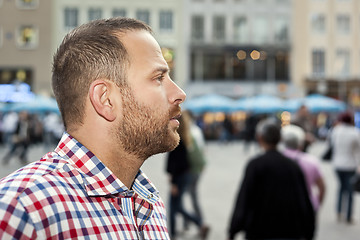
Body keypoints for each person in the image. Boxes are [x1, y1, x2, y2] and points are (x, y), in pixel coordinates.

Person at [0, 17, 186, 239]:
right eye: (158, 78)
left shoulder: (148, 202)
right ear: (105, 99)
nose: (179, 93)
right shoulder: (21, 209)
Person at [228, 118, 315, 240]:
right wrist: (309, 231)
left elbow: (244, 199)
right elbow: (303, 200)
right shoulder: (292, 165)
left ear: (260, 138)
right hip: (290, 231)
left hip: (259, 231)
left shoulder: (255, 165)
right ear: (280, 139)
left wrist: (233, 230)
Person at [166, 113, 209, 240]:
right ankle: (173, 232)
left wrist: (173, 181)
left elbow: (175, 163)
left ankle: (198, 223)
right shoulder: (186, 138)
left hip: (178, 177)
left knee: (175, 206)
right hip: (184, 175)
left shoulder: (177, 140)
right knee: (176, 206)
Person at [281, 124, 326, 219]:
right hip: (306, 206)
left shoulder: (276, 161)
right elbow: (322, 187)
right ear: (300, 143)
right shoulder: (311, 161)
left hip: (282, 208)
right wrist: (317, 204)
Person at [330, 112, 360, 224]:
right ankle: (348, 216)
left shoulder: (335, 131)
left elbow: (332, 145)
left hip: (337, 164)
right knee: (350, 191)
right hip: (350, 165)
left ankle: (338, 211)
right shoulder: (355, 132)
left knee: (341, 188)